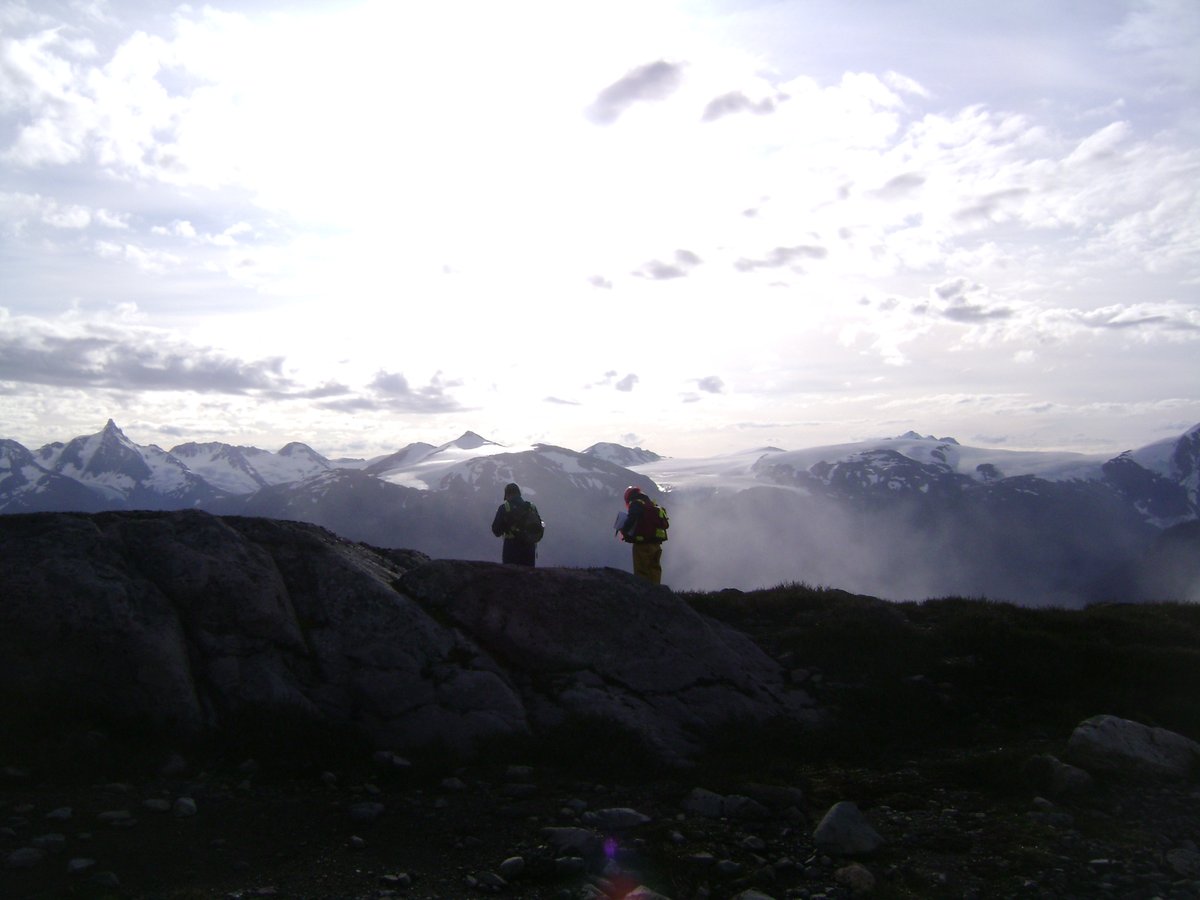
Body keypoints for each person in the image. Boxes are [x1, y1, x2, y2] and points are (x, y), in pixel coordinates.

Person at [618, 485, 668, 584]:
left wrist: (624, 530)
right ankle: (656, 593)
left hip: (642, 544)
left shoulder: (636, 503)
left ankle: (643, 595)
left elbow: (632, 517)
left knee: (641, 570)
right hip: (656, 544)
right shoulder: (653, 505)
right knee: (655, 569)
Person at [491, 482, 542, 566]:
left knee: (511, 576)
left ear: (507, 495)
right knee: (529, 575)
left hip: (511, 548)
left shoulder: (505, 508)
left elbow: (496, 531)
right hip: (530, 548)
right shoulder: (531, 507)